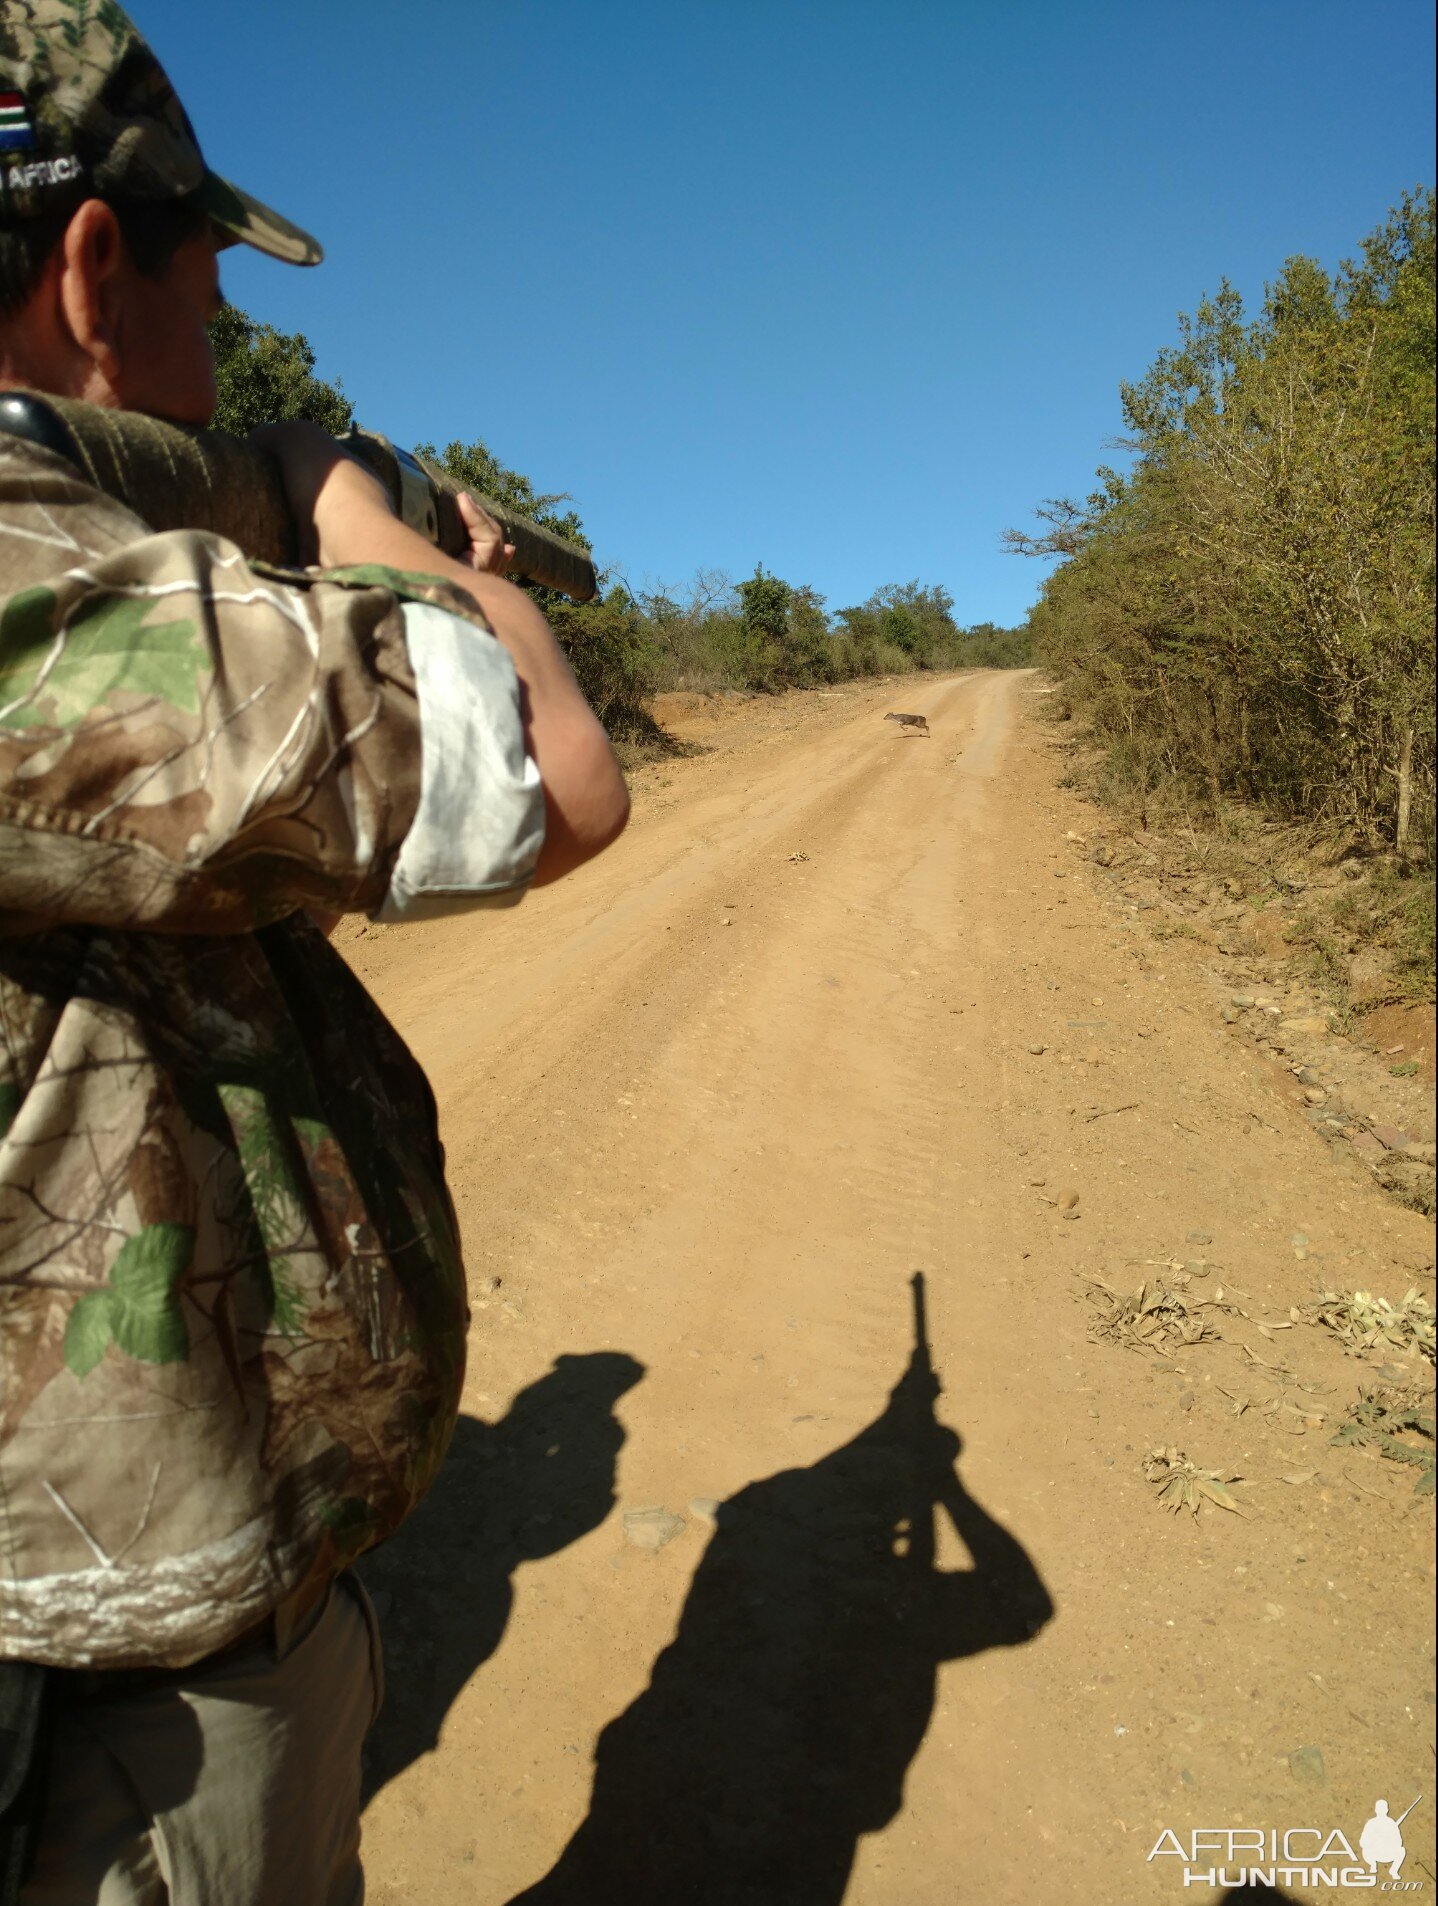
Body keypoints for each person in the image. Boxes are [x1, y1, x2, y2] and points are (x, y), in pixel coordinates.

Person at [0, 3, 629, 1900]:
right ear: (100, 265)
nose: (224, 350)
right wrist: (362, 507)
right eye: (209, 284)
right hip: (109, 1653)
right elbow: (555, 782)